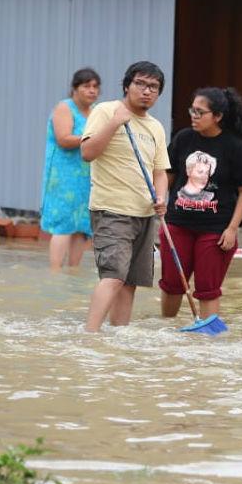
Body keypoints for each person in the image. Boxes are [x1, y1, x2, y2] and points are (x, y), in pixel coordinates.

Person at [80, 61, 171, 333]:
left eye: (153, 87)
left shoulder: (155, 127)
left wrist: (162, 197)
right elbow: (87, 153)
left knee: (130, 281)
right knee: (113, 276)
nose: (147, 91)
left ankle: (119, 335)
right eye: (141, 84)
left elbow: (160, 172)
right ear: (127, 86)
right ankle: (90, 334)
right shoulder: (105, 111)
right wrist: (115, 123)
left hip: (144, 212)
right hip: (111, 209)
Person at [160, 87, 242, 322]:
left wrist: (232, 228)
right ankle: (166, 331)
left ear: (218, 116)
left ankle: (207, 341)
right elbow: (168, 175)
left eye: (200, 112)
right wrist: (160, 197)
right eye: (192, 110)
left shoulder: (234, 147)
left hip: (215, 230)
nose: (193, 115)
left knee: (207, 286)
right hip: (177, 224)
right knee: (172, 283)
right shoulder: (183, 138)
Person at [41, 68, 100, 270]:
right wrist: (93, 139)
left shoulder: (96, 112)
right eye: (86, 86)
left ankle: (73, 272)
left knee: (81, 227)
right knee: (63, 225)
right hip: (63, 175)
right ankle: (55, 273)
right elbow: (64, 139)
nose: (92, 91)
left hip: (88, 176)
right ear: (75, 89)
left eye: (95, 86)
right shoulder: (64, 108)